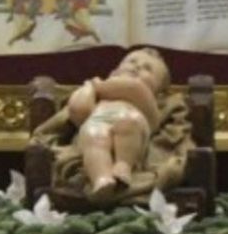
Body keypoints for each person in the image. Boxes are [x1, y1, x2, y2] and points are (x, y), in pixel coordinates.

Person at [65, 47, 170, 200]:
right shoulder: (100, 96)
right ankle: (102, 179)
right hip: (98, 119)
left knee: (126, 124)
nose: (137, 66)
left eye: (148, 69)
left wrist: (97, 86)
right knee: (94, 136)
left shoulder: (144, 96)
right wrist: (87, 89)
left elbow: (133, 88)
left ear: (159, 93)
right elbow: (79, 109)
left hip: (133, 121)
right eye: (132, 61)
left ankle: (123, 165)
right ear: (114, 72)